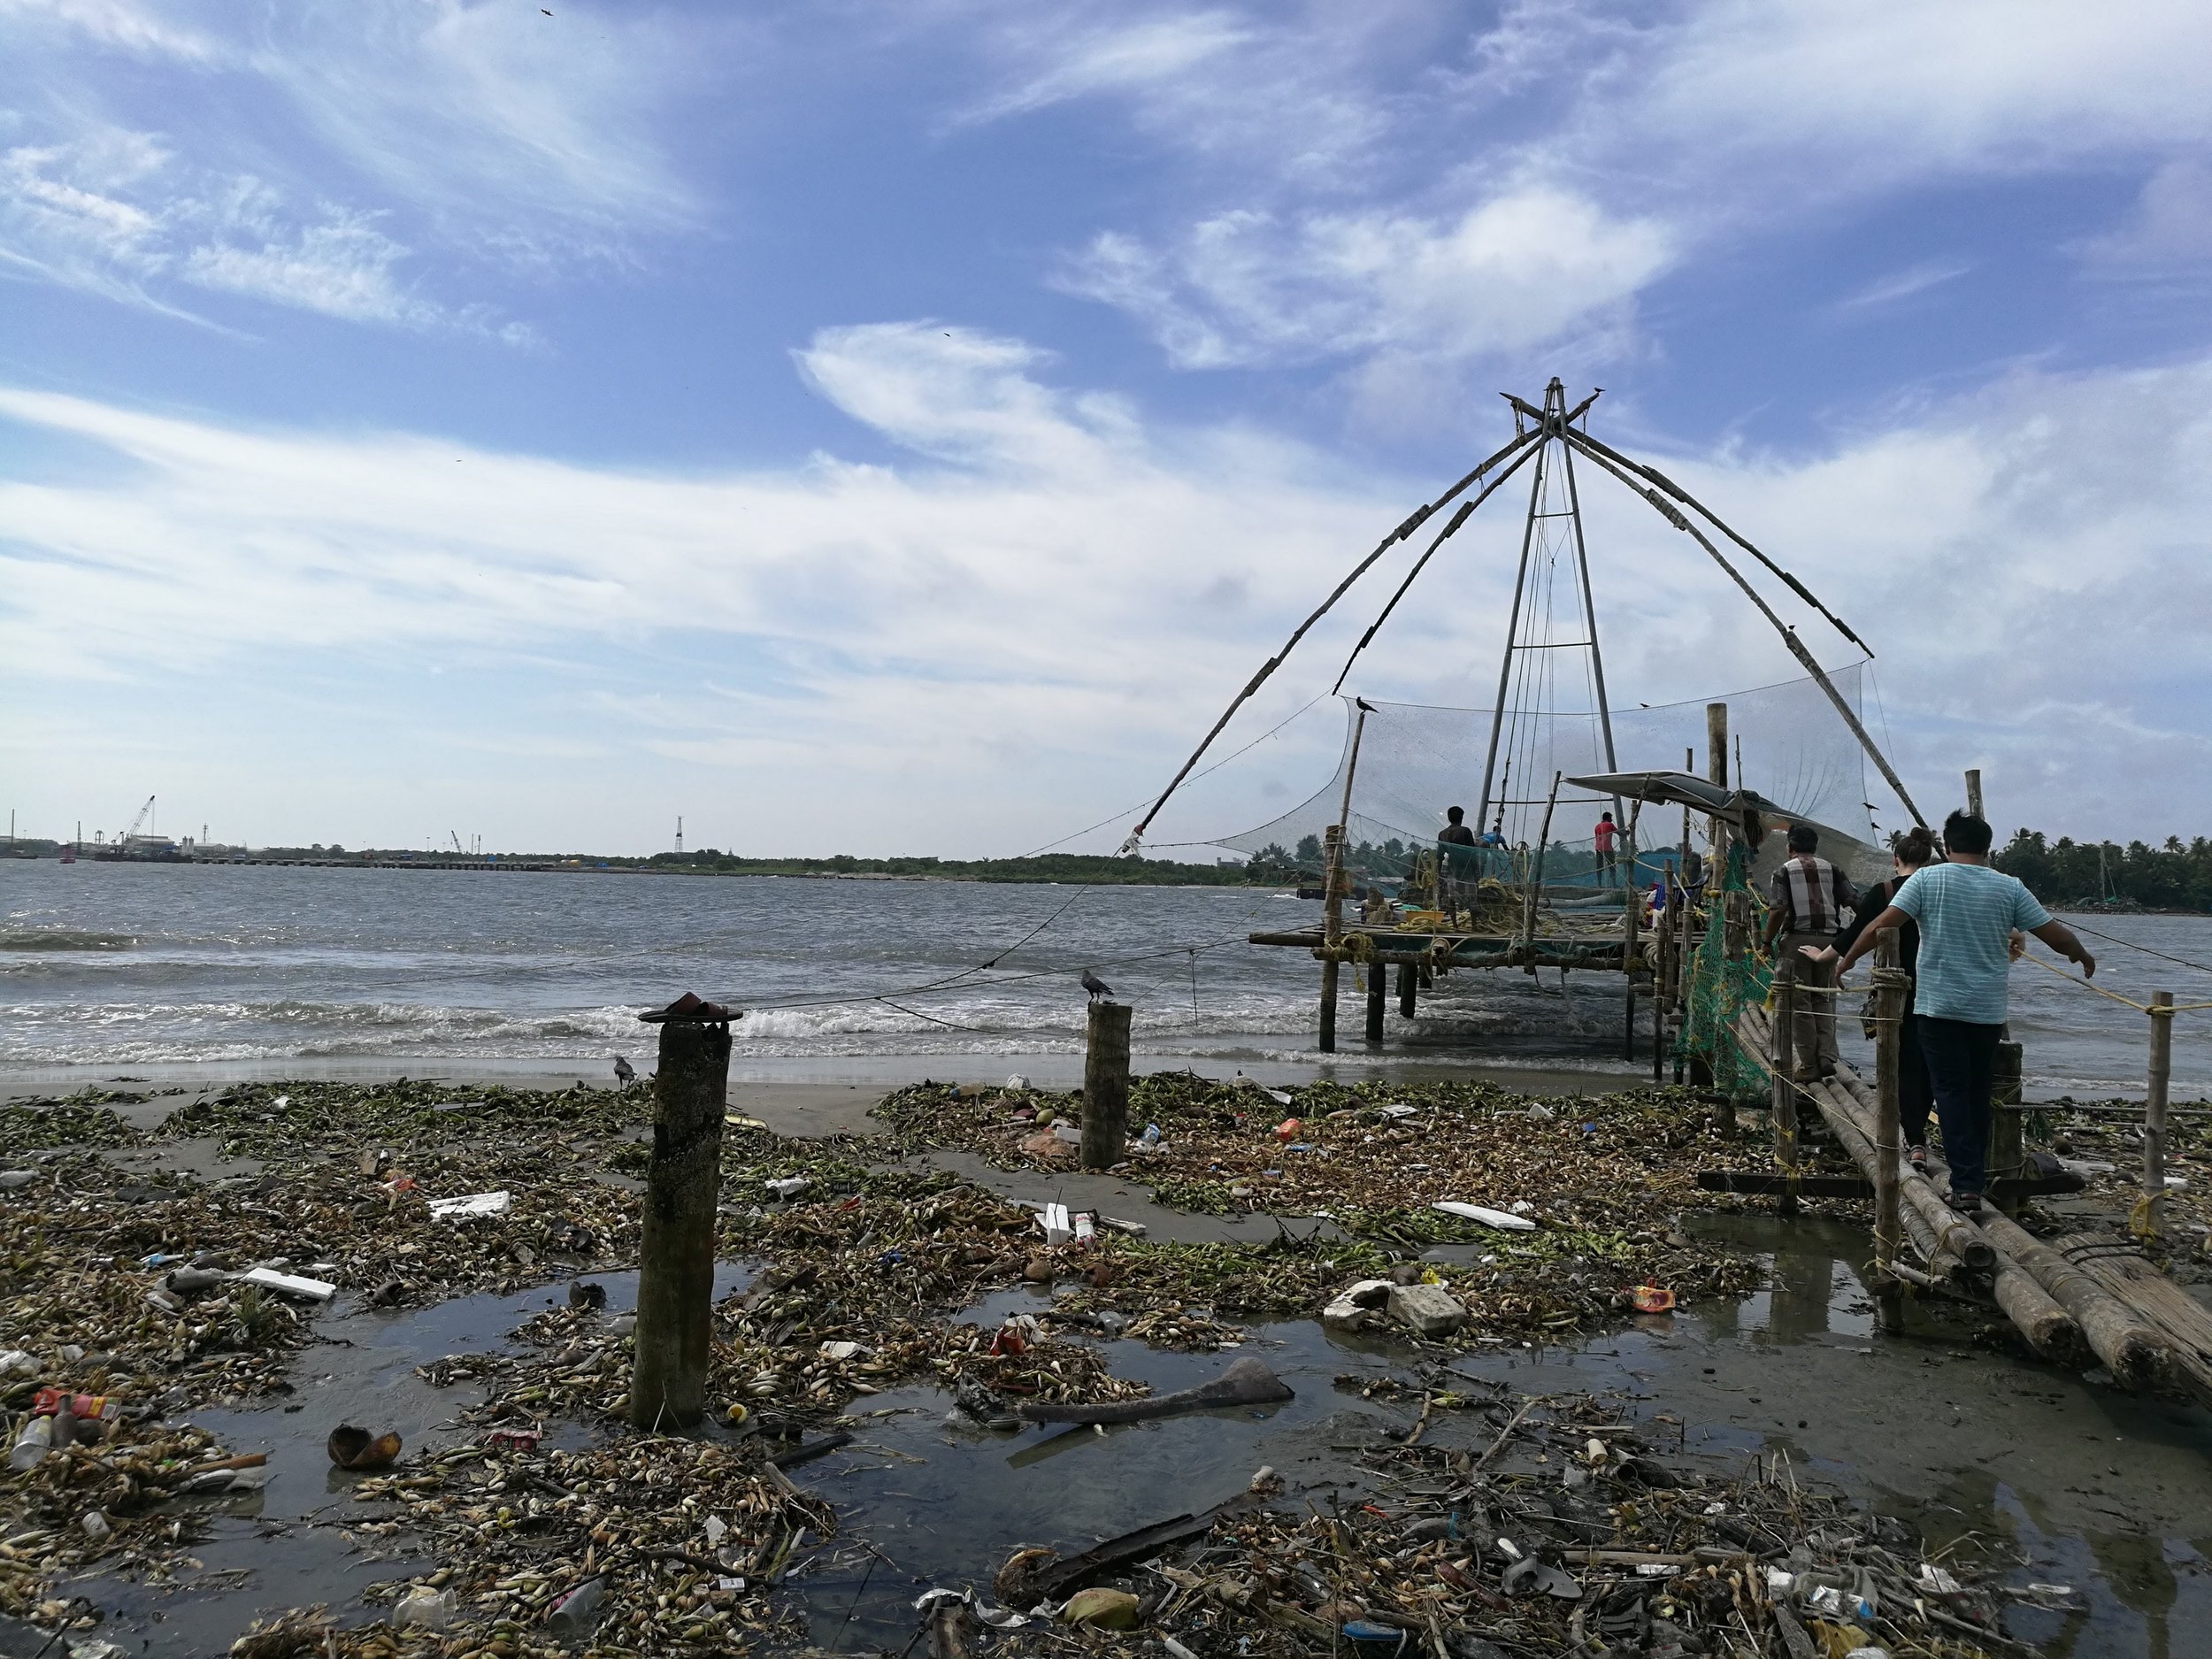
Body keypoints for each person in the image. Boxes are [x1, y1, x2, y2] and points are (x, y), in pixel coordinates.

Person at [1837, 810, 2096, 1214]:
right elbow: (2053, 932)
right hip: (1986, 1011)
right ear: (1987, 847)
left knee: (1952, 1092)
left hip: (1938, 1008)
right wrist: (2080, 953)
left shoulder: (1927, 879)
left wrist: (1845, 961)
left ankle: (1966, 1186)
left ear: (1948, 844)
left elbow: (1878, 927)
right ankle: (1973, 1178)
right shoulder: (2009, 887)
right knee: (1976, 1093)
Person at [1799, 826, 1939, 1170]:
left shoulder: (1887, 891)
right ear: (1930, 859)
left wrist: (1828, 960)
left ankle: (1916, 1140)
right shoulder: (1941, 890)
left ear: (1896, 860)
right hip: (1941, 987)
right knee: (1936, 1064)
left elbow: (1858, 931)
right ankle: (1941, 1139)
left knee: (1905, 1064)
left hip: (1899, 991)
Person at [1761, 823, 1855, 1080]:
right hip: (1830, 942)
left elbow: (1778, 910)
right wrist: (1851, 939)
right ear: (1815, 847)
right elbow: (1854, 902)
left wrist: (1767, 941)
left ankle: (1809, 1065)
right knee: (1822, 997)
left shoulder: (1783, 872)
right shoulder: (1834, 869)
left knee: (1800, 1002)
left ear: (1790, 846)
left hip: (1798, 942)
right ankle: (1826, 1056)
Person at [1437, 806, 1478, 918]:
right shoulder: (1465, 831)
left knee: (1451, 897)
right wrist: (1476, 870)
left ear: (1449, 818)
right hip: (1466, 869)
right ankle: (1474, 925)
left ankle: (1455, 925)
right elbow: (1472, 852)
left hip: (1451, 870)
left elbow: (1439, 856)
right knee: (1472, 898)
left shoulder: (1442, 834)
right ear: (1461, 818)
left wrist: (1439, 873)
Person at [1593, 811, 1618, 887]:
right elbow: (1618, 832)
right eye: (1611, 818)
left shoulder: (1597, 826)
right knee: (1612, 865)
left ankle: (1599, 884)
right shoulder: (1609, 825)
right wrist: (1626, 832)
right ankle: (1614, 884)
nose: (1611, 819)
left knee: (1599, 867)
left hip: (1598, 848)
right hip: (1607, 847)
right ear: (1608, 818)